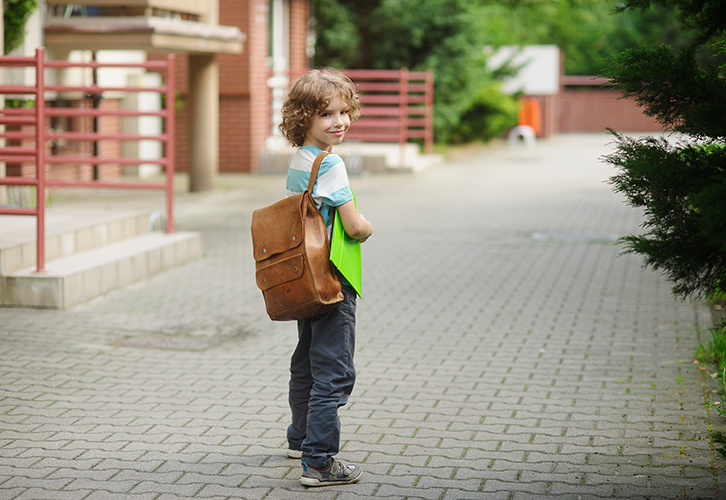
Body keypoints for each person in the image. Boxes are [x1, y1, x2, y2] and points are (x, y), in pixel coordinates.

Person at [278, 68, 373, 487]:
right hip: (333, 280)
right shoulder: (332, 163)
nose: (339, 122)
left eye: (344, 112)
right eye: (326, 115)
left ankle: (299, 438)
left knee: (306, 361)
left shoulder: (301, 159)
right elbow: (354, 227)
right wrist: (369, 225)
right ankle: (319, 461)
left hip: (306, 279)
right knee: (334, 371)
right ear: (305, 119)